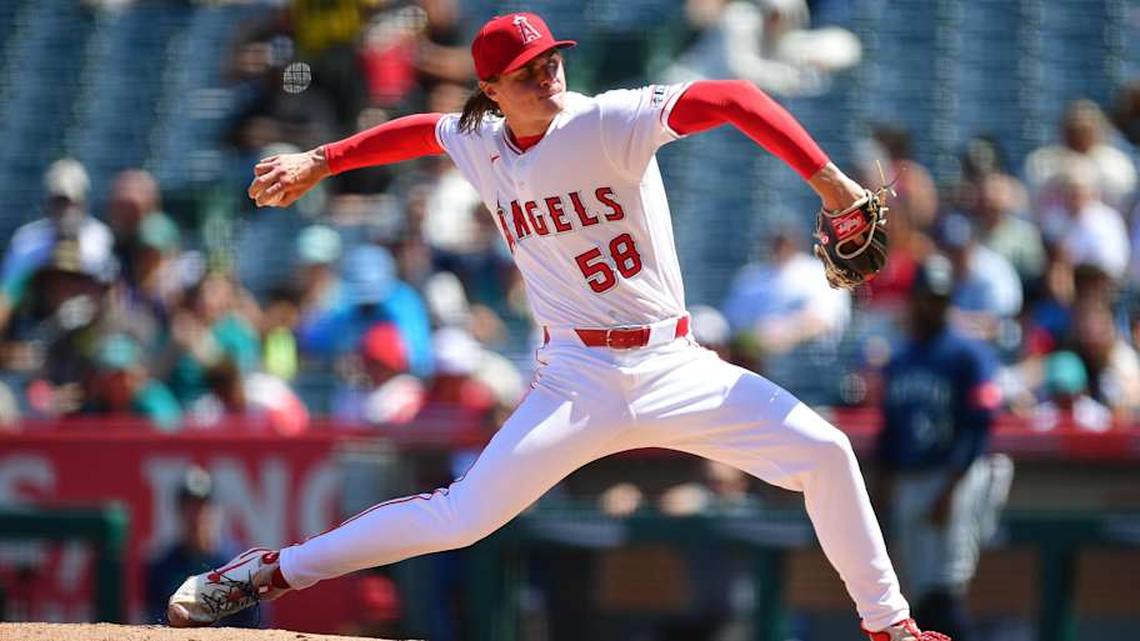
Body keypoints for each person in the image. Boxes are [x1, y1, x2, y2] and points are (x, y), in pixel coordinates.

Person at [168, 12, 949, 641]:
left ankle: (890, 625)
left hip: (675, 363)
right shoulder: (480, 141)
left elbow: (737, 98)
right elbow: (421, 129)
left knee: (826, 452)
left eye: (550, 60)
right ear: (491, 90)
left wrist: (833, 185)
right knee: (462, 518)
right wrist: (322, 159)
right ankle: (271, 570)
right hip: (576, 378)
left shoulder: (607, 121)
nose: (547, 74)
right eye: (527, 70)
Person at [878, 255, 1013, 641]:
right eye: (926, 297)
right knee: (917, 596)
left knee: (944, 590)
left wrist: (951, 488)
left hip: (954, 475)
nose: (931, 306)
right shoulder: (900, 358)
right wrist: (884, 483)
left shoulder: (968, 354)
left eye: (939, 298)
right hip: (911, 478)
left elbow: (979, 426)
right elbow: (890, 430)